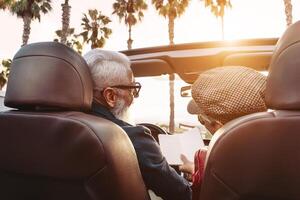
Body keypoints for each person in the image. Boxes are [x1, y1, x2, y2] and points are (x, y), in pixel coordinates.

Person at [83, 49, 192, 200]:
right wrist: (193, 173)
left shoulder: (45, 130)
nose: (134, 98)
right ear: (111, 96)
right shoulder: (131, 137)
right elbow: (181, 194)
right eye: (133, 90)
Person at [179, 66, 267, 199]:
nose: (203, 124)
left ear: (218, 125)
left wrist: (198, 169)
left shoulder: (208, 159)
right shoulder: (285, 145)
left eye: (202, 120)